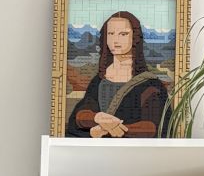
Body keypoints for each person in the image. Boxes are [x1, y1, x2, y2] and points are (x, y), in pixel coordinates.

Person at [65, 10, 169, 138]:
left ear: (135, 37)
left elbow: (153, 128)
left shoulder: (150, 84)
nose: (116, 39)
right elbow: (79, 116)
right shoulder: (99, 80)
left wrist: (107, 131)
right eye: (111, 33)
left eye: (123, 34)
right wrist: (98, 117)